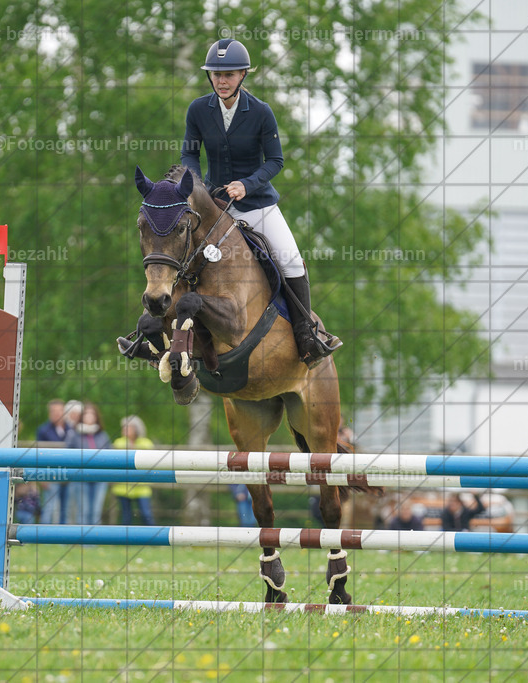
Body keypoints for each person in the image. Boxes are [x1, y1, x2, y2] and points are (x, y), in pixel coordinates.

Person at [181, 38, 341, 368]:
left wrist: (247, 184)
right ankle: (153, 335)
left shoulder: (261, 112)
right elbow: (189, 154)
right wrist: (197, 187)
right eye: (215, 75)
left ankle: (306, 335)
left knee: (292, 261)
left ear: (242, 75)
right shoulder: (198, 110)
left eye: (229, 75)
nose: (221, 81)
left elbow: (276, 161)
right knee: (176, 253)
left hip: (258, 205)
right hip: (214, 205)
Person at [64, 402, 112, 526]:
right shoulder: (74, 435)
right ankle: (83, 541)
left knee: (96, 510)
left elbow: (110, 455)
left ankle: (94, 541)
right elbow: (68, 455)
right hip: (81, 477)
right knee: (83, 510)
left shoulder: (103, 435)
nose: (89, 417)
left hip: (100, 478)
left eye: (92, 414)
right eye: (87, 414)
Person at [110, 415, 155, 525]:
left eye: (128, 427)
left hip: (142, 486)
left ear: (136, 429)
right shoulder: (118, 443)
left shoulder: (146, 443)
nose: (124, 430)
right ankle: (125, 541)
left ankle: (153, 539)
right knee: (126, 516)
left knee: (146, 514)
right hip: (123, 486)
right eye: (124, 427)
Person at [36, 398, 68, 524]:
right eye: (54, 411)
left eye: (60, 410)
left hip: (68, 473)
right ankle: (44, 534)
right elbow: (39, 454)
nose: (57, 414)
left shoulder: (71, 429)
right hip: (50, 473)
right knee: (49, 506)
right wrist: (42, 476)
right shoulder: (43, 430)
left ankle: (63, 536)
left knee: (66, 506)